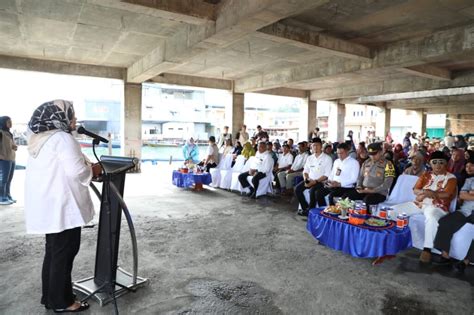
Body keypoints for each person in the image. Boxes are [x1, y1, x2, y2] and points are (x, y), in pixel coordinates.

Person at [25, 100, 100, 312]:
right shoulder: (63, 139)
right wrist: (92, 171)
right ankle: (63, 302)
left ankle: (51, 296)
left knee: (54, 253)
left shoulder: (40, 139)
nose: (75, 120)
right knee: (64, 254)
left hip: (49, 207)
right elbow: (77, 171)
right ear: (59, 118)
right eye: (72, 115)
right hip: (63, 207)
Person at [433, 159, 474, 272]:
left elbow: (467, 195)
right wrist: (467, 195)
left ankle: (465, 262)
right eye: (467, 166)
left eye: (472, 166)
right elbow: (462, 195)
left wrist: (470, 194)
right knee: (445, 221)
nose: (469, 169)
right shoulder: (470, 180)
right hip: (466, 211)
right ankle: (445, 255)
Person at [341, 142, 395, 210]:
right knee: (346, 196)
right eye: (370, 154)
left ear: (381, 152)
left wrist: (373, 190)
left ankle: (365, 218)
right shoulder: (366, 162)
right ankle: (347, 215)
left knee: (367, 200)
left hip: (379, 193)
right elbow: (360, 177)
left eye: (375, 154)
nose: (372, 156)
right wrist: (359, 186)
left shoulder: (388, 164)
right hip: (364, 190)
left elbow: (387, 184)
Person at [312, 142, 360, 207]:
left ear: (347, 152)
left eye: (341, 153)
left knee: (332, 196)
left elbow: (354, 179)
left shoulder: (354, 162)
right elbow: (332, 174)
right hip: (334, 185)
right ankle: (323, 209)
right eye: (338, 153)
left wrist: (339, 184)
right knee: (318, 193)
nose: (339, 155)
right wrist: (329, 181)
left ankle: (334, 213)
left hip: (345, 187)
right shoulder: (336, 161)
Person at [295, 138, 333, 216]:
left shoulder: (327, 158)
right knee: (297, 189)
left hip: (321, 181)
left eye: (317, 145)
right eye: (313, 145)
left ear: (321, 146)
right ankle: (305, 208)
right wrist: (306, 179)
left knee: (313, 191)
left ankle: (311, 209)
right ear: (311, 147)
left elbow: (327, 175)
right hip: (310, 179)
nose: (315, 147)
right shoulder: (310, 158)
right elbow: (305, 171)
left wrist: (314, 182)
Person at [0, 116, 17, 205]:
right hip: (3, 159)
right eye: (8, 122)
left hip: (11, 158)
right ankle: (1, 197)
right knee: (3, 179)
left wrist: (14, 146)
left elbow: (10, 144)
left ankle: (7, 195)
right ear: (3, 123)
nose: (10, 123)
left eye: (11, 121)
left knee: (9, 179)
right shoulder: (1, 132)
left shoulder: (8, 133)